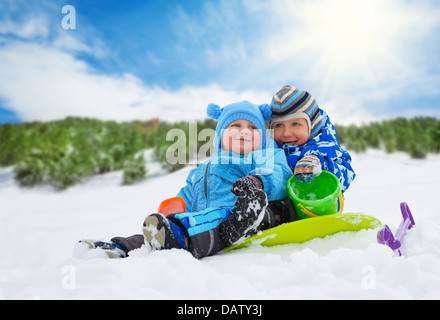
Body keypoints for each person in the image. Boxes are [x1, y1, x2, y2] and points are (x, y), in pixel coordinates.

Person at [79, 101, 293, 259]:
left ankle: (178, 239)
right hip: (198, 215)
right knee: (164, 229)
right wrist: (179, 202)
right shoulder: (207, 165)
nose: (244, 131)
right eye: (236, 125)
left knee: (192, 224)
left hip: (235, 215)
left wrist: (256, 182)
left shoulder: (263, 155)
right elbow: (192, 190)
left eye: (253, 127)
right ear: (221, 136)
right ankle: (121, 247)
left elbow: (279, 174)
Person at [269, 85, 355, 192]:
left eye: (295, 124)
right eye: (279, 125)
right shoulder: (269, 150)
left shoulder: (325, 147)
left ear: (313, 126)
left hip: (318, 205)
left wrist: (321, 165)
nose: (286, 133)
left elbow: (347, 175)